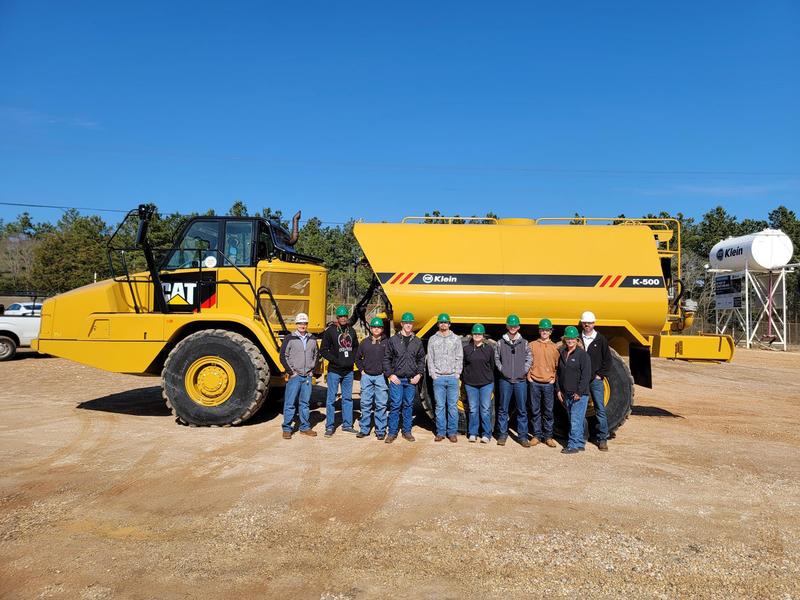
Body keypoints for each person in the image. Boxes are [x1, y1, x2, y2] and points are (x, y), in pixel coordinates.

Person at [383, 311, 425, 444]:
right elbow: (386, 359)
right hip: (397, 379)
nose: (408, 325)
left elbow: (421, 360)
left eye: (410, 323)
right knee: (395, 405)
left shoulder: (417, 342)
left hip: (411, 380)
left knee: (408, 405)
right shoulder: (393, 340)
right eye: (406, 322)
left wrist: (419, 374)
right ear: (401, 324)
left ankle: (407, 431)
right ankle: (392, 432)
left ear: (412, 325)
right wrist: (390, 374)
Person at [320, 305, 359, 437]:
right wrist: (336, 360)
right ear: (337, 318)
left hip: (348, 371)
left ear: (347, 317)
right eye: (340, 316)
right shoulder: (330, 331)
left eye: (345, 316)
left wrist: (352, 360)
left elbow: (355, 348)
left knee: (347, 398)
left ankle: (347, 425)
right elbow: (323, 350)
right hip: (334, 371)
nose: (343, 318)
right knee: (331, 399)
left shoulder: (351, 331)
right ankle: (330, 426)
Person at [494, 314, 532, 447]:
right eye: (510, 325)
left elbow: (529, 359)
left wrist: (524, 371)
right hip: (505, 380)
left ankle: (522, 437)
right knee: (503, 409)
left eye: (515, 325)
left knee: (522, 409)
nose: (513, 327)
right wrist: (502, 370)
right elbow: (497, 358)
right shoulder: (500, 342)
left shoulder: (525, 343)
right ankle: (502, 435)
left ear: (519, 327)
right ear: (507, 326)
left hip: (521, 381)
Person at [279, 312, 319, 439]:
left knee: (305, 403)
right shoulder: (289, 338)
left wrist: (312, 369)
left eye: (305, 323)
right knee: (290, 403)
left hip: (307, 376)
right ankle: (287, 428)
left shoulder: (312, 339)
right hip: (294, 376)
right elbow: (283, 356)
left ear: (307, 324)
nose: (303, 325)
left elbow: (316, 355)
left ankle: (305, 427)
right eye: (300, 323)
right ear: (296, 324)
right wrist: (292, 372)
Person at [427, 313, 464, 443]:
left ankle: (452, 432)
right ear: (438, 324)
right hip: (439, 378)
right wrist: (433, 374)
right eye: (441, 322)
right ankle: (440, 432)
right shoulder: (433, 339)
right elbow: (430, 358)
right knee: (440, 406)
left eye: (445, 322)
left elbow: (459, 356)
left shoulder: (455, 339)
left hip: (452, 378)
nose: (443, 324)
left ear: (449, 324)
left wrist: (457, 373)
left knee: (452, 406)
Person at [556, 326, 592, 454]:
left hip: (579, 395)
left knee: (575, 420)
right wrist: (558, 390)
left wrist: (579, 392)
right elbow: (558, 374)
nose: (570, 341)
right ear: (564, 339)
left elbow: (586, 375)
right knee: (577, 419)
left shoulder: (583, 355)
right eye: (568, 339)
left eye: (572, 339)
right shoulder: (562, 353)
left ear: (577, 340)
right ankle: (580, 443)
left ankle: (572, 446)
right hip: (566, 393)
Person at [580, 310, 611, 451]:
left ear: (594, 323)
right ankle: (582, 437)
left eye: (590, 323)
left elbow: (608, 360)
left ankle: (602, 438)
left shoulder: (601, 339)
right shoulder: (578, 339)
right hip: (581, 380)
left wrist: (600, 375)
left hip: (595, 380)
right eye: (585, 323)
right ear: (582, 323)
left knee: (599, 409)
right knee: (580, 409)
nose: (588, 325)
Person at [527, 318, 560, 448]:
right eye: (542, 329)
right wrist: (529, 376)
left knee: (548, 411)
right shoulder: (532, 345)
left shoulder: (555, 347)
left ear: (550, 332)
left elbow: (559, 366)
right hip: (534, 381)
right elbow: (527, 361)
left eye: (547, 330)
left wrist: (554, 378)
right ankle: (536, 436)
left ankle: (548, 437)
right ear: (539, 331)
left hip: (548, 383)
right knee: (535, 410)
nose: (544, 332)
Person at [355, 317, 389, 440]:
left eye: (378, 327)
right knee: (365, 404)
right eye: (374, 327)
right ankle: (364, 429)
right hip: (367, 377)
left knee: (381, 404)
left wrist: (386, 372)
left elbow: (391, 359)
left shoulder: (387, 343)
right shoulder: (365, 342)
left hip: (381, 377)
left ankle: (380, 430)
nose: (376, 329)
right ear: (370, 328)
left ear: (382, 329)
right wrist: (362, 371)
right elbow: (357, 358)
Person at [462, 323, 495, 443]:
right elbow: (464, 365)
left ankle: (486, 434)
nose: (477, 335)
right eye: (475, 333)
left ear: (483, 336)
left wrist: (487, 377)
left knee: (485, 409)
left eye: (479, 334)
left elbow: (492, 365)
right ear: (472, 335)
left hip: (486, 383)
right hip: (471, 384)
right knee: (473, 409)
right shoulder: (467, 349)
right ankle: (473, 433)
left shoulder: (489, 349)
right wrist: (467, 378)